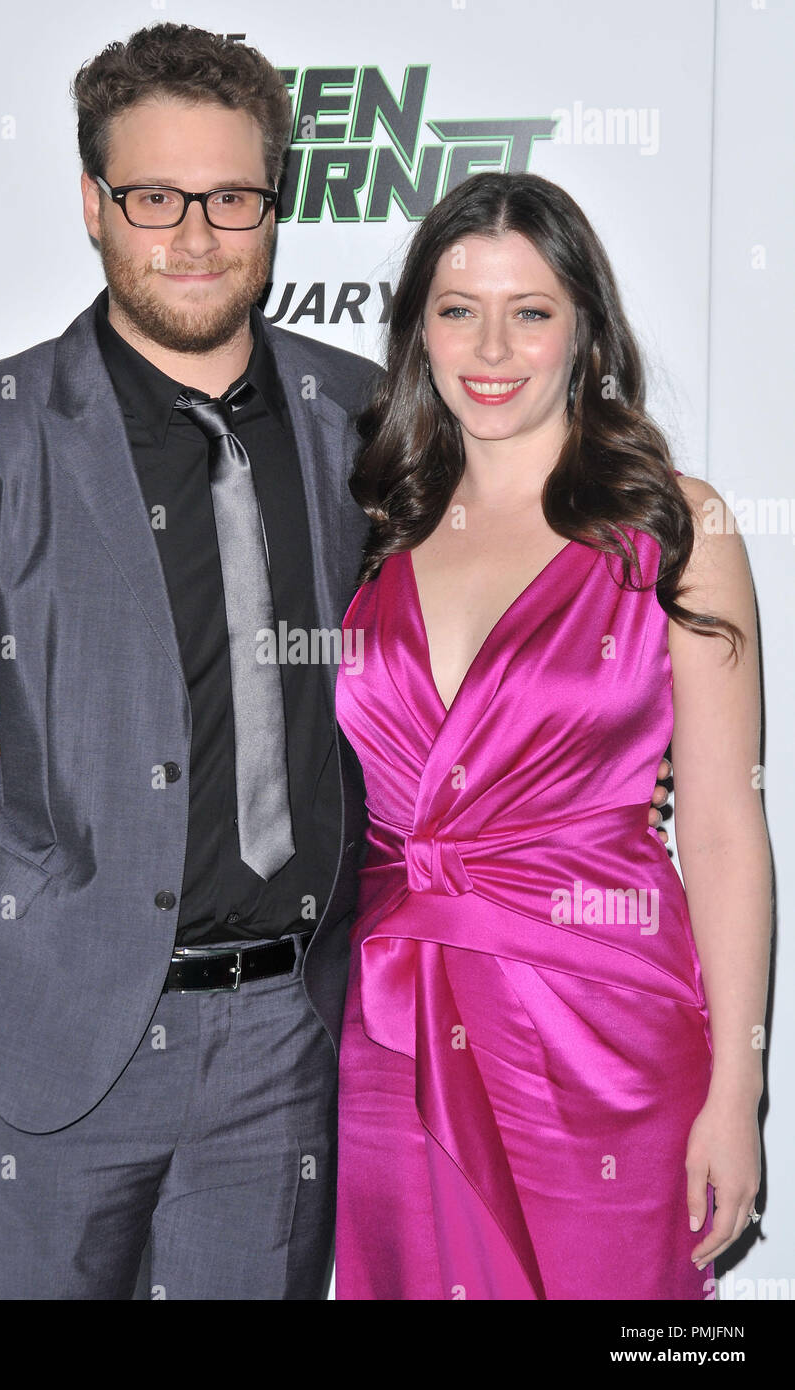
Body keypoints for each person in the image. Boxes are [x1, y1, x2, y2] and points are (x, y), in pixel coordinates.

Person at [0, 23, 671, 1300]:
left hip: (288, 1054)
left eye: (232, 197)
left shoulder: (365, 419)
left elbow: (493, 614)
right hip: (49, 1051)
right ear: (92, 202)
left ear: (275, 207)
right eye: (154, 197)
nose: (194, 235)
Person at [333, 171, 770, 1300]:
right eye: (455, 307)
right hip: (390, 1034)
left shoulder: (673, 528)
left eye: (529, 310)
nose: (491, 344)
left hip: (604, 1040)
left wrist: (736, 1093)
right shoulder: (370, 533)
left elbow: (719, 830)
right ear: (415, 329)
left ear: (584, 331)